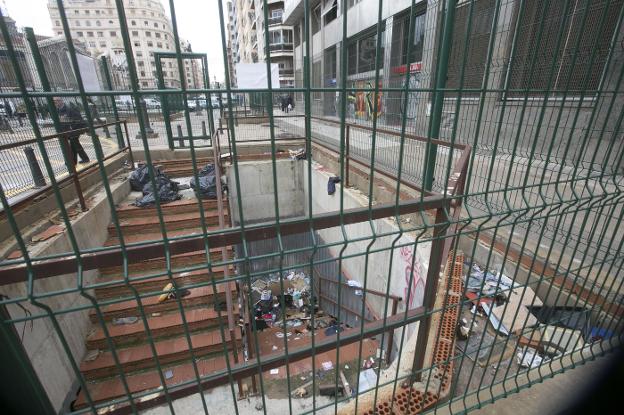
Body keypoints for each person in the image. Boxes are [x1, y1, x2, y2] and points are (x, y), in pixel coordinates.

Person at [54, 97, 90, 165]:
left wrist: (73, 129)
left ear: (60, 101)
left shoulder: (69, 109)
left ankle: (75, 161)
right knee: (74, 145)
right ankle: (79, 160)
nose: (55, 103)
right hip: (67, 131)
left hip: (74, 130)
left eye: (56, 101)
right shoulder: (58, 110)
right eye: (54, 102)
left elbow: (78, 119)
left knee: (74, 144)